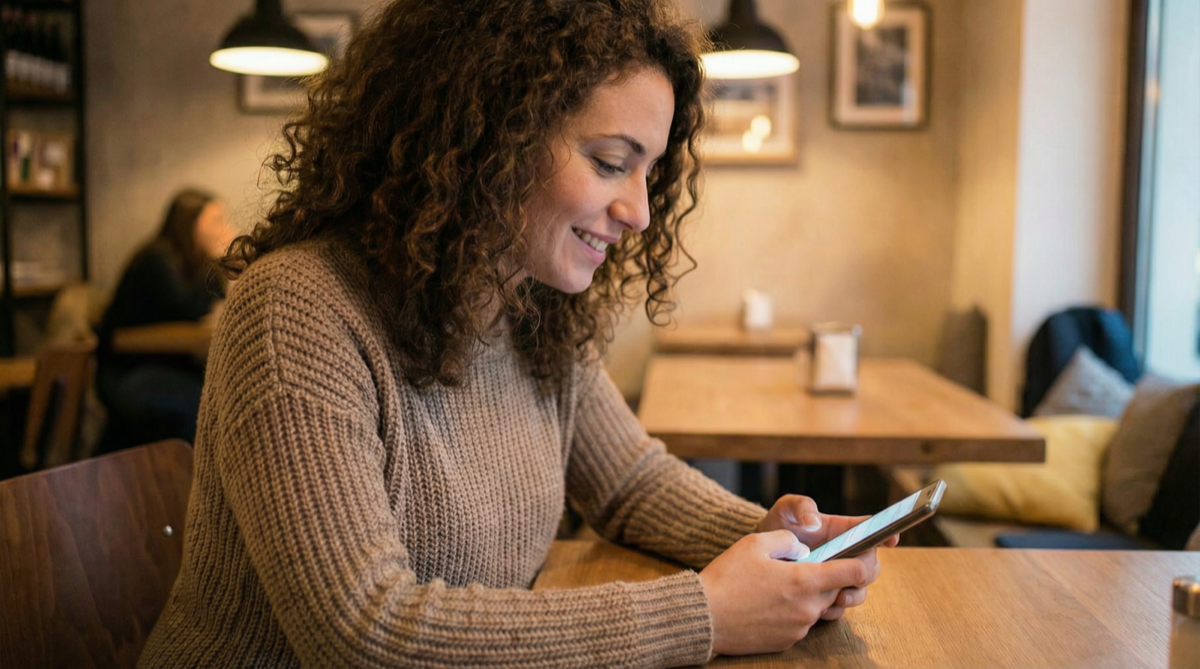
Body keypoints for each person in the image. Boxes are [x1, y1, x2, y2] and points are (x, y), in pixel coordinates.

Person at [139, 1, 895, 666]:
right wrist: (705, 611)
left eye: (649, 172)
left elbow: (631, 483)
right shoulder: (297, 310)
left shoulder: (528, 307)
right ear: (487, 139)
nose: (640, 211)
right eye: (609, 162)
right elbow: (363, 631)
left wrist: (781, 547)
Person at [96, 188, 233, 450]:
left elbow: (213, 303)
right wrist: (217, 259)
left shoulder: (190, 261)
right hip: (128, 371)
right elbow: (189, 311)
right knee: (208, 402)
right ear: (190, 223)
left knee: (220, 392)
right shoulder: (157, 258)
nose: (224, 228)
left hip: (161, 366)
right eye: (215, 221)